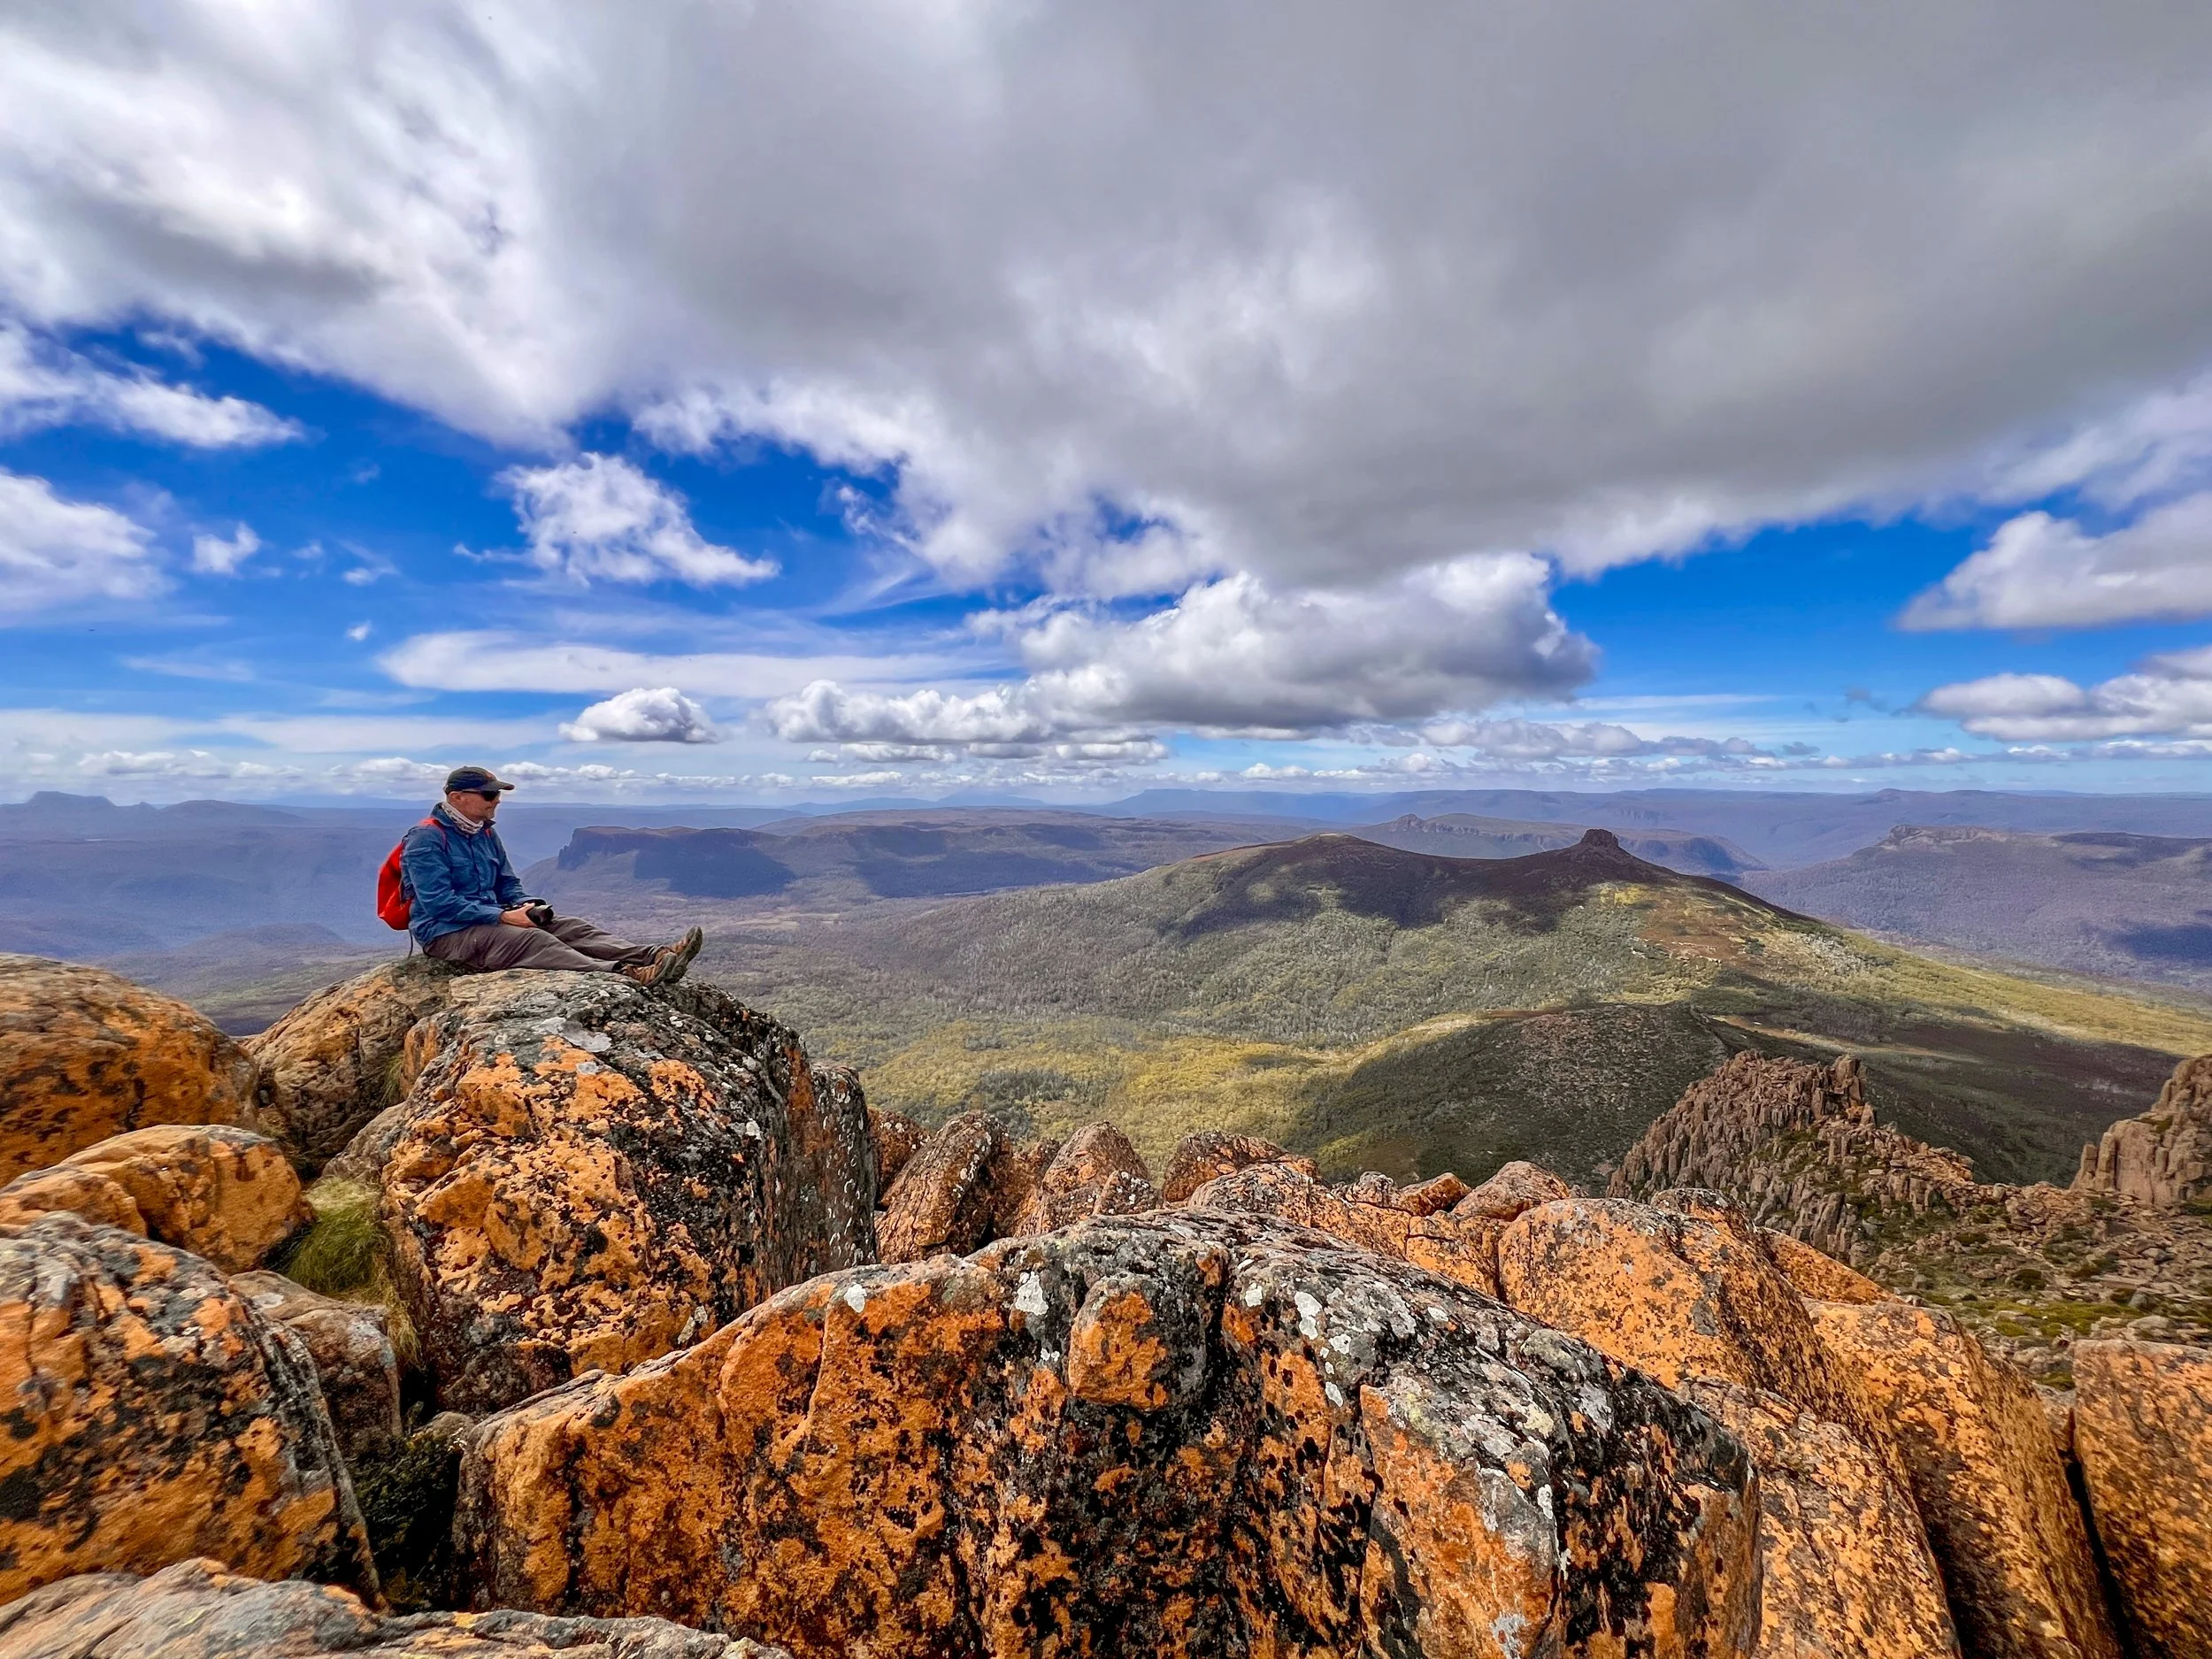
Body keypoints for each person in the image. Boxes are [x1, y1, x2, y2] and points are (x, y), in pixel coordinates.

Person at [399, 766, 703, 987]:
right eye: (490, 794)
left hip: (486, 919)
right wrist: (502, 918)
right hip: (445, 933)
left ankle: (655, 956)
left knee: (569, 927)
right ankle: (623, 974)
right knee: (530, 940)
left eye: (498, 794)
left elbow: (506, 882)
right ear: (457, 797)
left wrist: (525, 905)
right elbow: (438, 903)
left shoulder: (485, 833)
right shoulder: (426, 839)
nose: (497, 801)